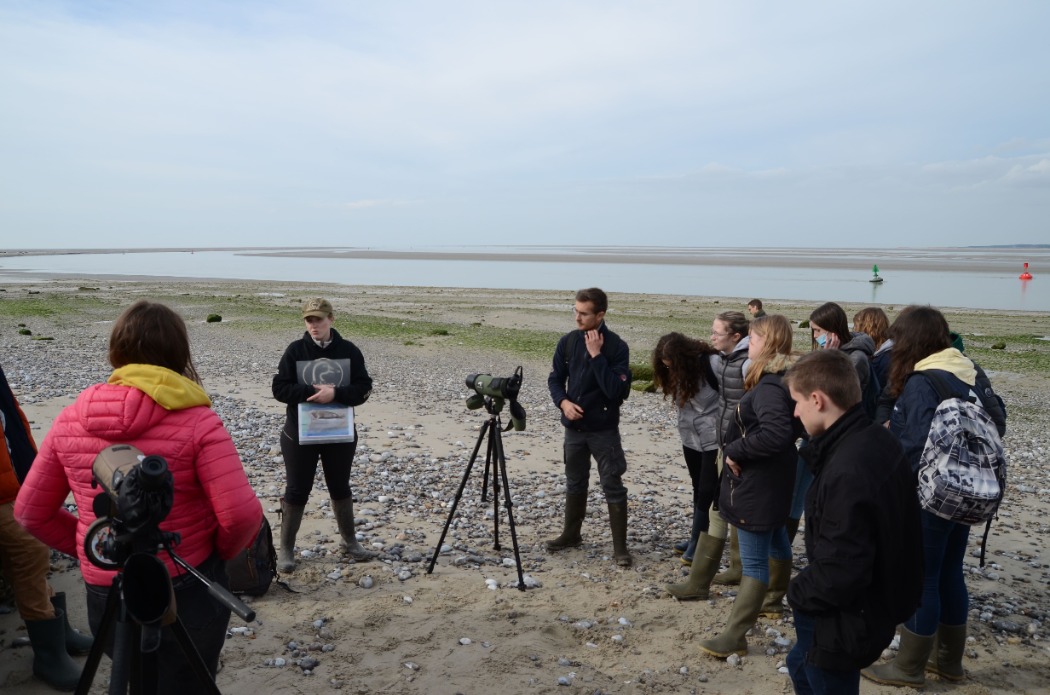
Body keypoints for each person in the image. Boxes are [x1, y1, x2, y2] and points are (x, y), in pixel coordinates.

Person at [14, 301, 263, 692]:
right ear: (178, 354)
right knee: (187, 682)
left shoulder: (70, 418)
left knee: (132, 680)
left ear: (117, 352)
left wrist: (93, 546)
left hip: (106, 584)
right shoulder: (198, 421)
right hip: (185, 579)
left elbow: (30, 512)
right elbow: (241, 516)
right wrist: (215, 552)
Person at [862, 306, 1005, 688]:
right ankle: (948, 663)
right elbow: (998, 422)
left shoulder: (922, 381)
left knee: (921, 576)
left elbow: (915, 447)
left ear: (909, 341)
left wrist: (890, 440)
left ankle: (909, 667)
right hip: (969, 490)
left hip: (930, 495)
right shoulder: (970, 369)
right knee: (949, 572)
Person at [783, 350, 922, 695]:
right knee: (799, 666)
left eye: (797, 402)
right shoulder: (876, 437)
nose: (795, 412)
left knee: (824, 678)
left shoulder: (849, 469)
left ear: (817, 399)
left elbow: (842, 571)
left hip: (846, 615)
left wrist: (796, 593)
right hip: (871, 601)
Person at [701, 314, 802, 659]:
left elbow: (778, 433)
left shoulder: (771, 386)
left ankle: (735, 635)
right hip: (774, 480)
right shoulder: (786, 380)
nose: (750, 346)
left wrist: (734, 449)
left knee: (754, 561)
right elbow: (794, 428)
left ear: (767, 344)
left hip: (758, 484)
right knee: (776, 539)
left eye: (754, 340)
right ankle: (773, 601)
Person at [2, 363, 93, 691]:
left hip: (10, 483)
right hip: (4, 490)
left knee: (31, 551)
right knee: (29, 548)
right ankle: (49, 651)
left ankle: (57, 633)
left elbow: (11, 425)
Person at [272, 297, 378, 572]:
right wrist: (310, 390)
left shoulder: (350, 351)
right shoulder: (295, 350)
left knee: (340, 486)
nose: (314, 325)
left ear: (331, 318)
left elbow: (364, 388)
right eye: (309, 320)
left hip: (339, 433)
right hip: (300, 434)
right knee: (297, 489)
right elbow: (279, 389)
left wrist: (337, 393)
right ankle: (286, 549)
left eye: (318, 319)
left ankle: (350, 541)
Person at [665, 311, 750, 599]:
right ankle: (695, 543)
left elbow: (736, 400)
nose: (711, 336)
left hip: (719, 440)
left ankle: (701, 551)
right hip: (698, 438)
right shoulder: (693, 367)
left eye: (718, 331)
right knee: (701, 493)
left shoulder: (715, 364)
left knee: (710, 494)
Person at [546, 288, 633, 567]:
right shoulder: (568, 342)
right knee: (574, 482)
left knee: (612, 485)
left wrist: (596, 356)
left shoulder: (617, 347)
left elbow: (616, 391)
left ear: (600, 315)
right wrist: (563, 403)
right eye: (575, 311)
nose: (577, 318)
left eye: (583, 313)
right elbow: (555, 380)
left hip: (604, 431)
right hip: (574, 428)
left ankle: (620, 548)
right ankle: (571, 535)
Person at [651, 333, 719, 565]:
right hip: (690, 437)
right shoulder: (672, 370)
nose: (668, 368)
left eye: (671, 364)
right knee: (697, 486)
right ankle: (695, 537)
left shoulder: (712, 364)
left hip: (714, 438)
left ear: (683, 359)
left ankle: (700, 542)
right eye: (664, 364)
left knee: (708, 490)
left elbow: (733, 396)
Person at [853, 307, 891, 389]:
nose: (854, 331)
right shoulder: (880, 354)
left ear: (866, 328)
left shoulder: (885, 358)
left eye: (856, 327)